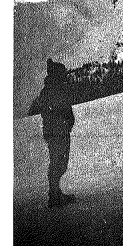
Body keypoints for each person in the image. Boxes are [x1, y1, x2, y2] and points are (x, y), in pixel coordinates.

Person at [33, 59, 76, 208]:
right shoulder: (51, 91)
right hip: (57, 131)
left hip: (59, 130)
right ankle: (54, 195)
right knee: (58, 162)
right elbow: (56, 110)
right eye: (62, 73)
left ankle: (55, 193)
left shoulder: (54, 89)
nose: (65, 75)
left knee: (59, 162)